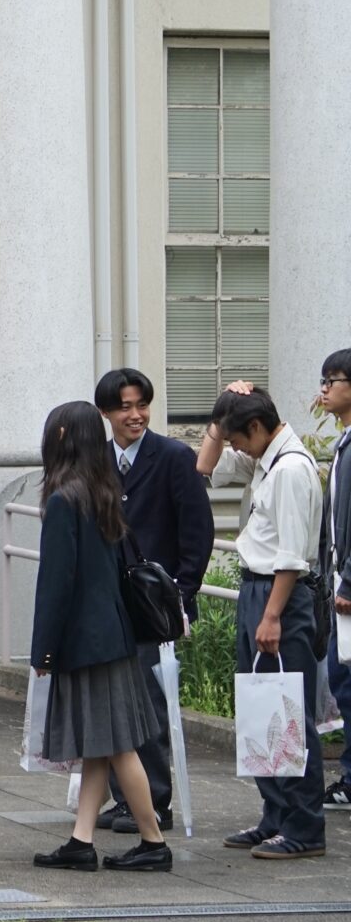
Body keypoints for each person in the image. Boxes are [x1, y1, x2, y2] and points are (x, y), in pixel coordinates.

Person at [28, 401, 169, 872]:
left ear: (63, 433)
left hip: (86, 643)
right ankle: (80, 840)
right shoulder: (102, 489)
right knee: (101, 745)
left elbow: (55, 583)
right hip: (113, 636)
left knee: (118, 746)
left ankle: (153, 842)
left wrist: (42, 650)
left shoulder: (64, 499)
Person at [197, 385, 329, 859]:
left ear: (256, 428)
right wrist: (221, 407)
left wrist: (272, 615)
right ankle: (275, 814)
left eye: (236, 437)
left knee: (288, 711)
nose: (233, 447)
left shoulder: (291, 468)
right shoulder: (264, 457)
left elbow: (292, 556)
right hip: (259, 588)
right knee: (261, 706)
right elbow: (205, 469)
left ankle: (304, 825)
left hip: (281, 595)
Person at [93, 367, 213, 836]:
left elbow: (197, 533)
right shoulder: (97, 460)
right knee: (114, 704)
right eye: (125, 406)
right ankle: (125, 799)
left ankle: (154, 803)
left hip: (156, 607)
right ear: (106, 411)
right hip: (109, 605)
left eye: (142, 405)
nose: (136, 415)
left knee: (149, 705)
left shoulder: (174, 458)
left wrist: (181, 596)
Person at [313, 352, 351, 814]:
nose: (323, 389)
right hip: (338, 578)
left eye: (332, 380)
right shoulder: (343, 443)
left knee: (346, 683)